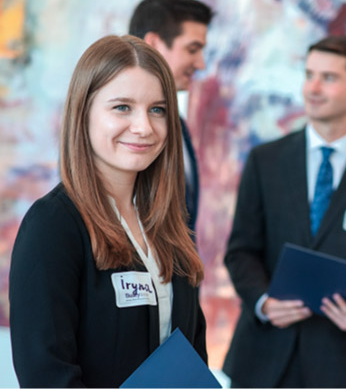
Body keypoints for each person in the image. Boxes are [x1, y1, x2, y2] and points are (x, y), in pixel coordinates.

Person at [9, 35, 208, 387]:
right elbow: (47, 376)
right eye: (122, 107)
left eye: (158, 110)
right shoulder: (54, 226)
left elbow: (193, 359)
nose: (144, 127)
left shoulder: (170, 224)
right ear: (83, 113)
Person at [223, 35, 346, 388]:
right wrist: (263, 301)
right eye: (309, 75)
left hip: (342, 366)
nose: (313, 88)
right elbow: (240, 250)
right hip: (262, 358)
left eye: (329, 77)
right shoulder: (265, 161)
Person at [129, 0, 214, 236]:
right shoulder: (109, 130)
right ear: (154, 44)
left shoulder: (179, 125)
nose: (201, 64)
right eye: (192, 49)